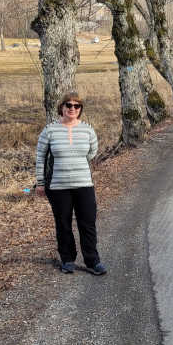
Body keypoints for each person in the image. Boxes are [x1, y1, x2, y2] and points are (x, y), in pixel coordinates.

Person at [35, 91, 107, 275]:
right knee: (63, 223)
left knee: (87, 223)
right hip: (59, 187)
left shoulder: (88, 129)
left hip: (83, 184)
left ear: (80, 109)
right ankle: (67, 259)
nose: (72, 108)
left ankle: (93, 261)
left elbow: (92, 152)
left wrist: (76, 162)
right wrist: (40, 183)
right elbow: (40, 158)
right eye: (68, 105)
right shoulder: (50, 130)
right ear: (62, 107)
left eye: (76, 106)